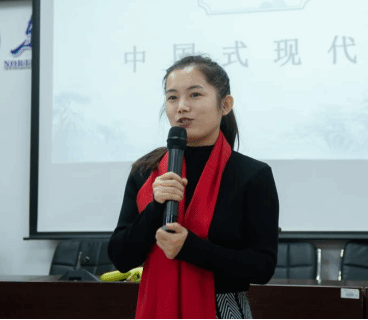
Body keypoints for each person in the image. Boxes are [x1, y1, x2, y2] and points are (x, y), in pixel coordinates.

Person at [108, 55, 280, 319]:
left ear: (225, 104)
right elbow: (121, 257)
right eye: (172, 97)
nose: (182, 107)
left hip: (222, 310)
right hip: (157, 306)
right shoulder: (145, 172)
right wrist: (156, 207)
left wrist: (190, 248)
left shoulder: (252, 175)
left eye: (195, 95)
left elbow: (263, 267)